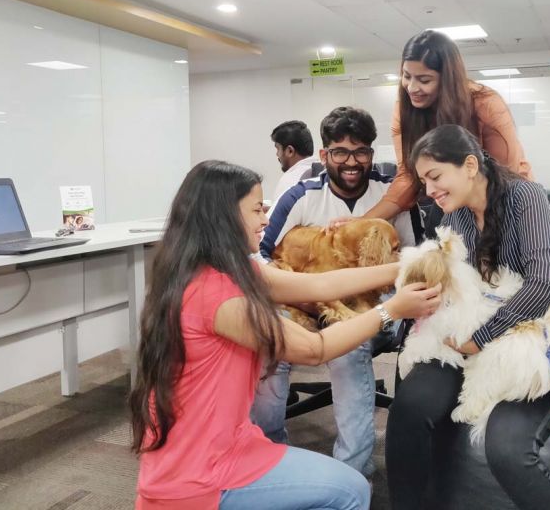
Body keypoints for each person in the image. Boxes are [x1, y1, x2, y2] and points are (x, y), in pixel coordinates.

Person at [130, 160, 441, 510]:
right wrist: (392, 310)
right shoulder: (217, 295)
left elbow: (319, 283)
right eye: (255, 210)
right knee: (351, 490)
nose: (266, 219)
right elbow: (314, 348)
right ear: (222, 217)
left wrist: (409, 266)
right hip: (199, 470)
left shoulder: (222, 268)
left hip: (222, 442)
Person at [385, 124, 550, 509]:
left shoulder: (526, 197)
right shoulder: (452, 217)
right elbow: (456, 286)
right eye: (424, 181)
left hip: (521, 329)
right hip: (470, 327)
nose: (430, 190)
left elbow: (544, 283)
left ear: (470, 165)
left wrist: (482, 337)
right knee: (409, 408)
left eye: (435, 176)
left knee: (508, 448)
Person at [254, 106, 416, 476]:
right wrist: (300, 294)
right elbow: (259, 258)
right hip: (301, 300)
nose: (352, 162)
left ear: (372, 154)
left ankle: (353, 475)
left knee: (348, 348)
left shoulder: (391, 193)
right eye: (340, 152)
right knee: (271, 340)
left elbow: (411, 261)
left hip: (371, 303)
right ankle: (265, 459)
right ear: (324, 154)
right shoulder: (300, 196)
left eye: (361, 151)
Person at [357, 30, 533, 230]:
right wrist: (363, 222)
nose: (412, 88)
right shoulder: (404, 110)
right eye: (407, 76)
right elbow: (409, 175)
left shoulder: (485, 105)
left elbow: (503, 175)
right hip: (451, 202)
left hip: (503, 199)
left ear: (447, 79)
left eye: (424, 80)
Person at [270, 120, 316, 203]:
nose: (277, 154)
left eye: (278, 149)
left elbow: (280, 216)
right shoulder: (324, 173)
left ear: (290, 151)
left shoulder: (289, 180)